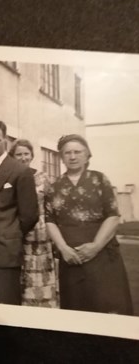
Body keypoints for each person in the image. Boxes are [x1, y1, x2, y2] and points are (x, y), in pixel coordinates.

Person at [45, 134, 133, 315]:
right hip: (71, 257)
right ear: (61, 157)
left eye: (78, 152)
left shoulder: (100, 180)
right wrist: (63, 248)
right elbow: (50, 220)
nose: (73, 156)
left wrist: (95, 246)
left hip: (102, 255)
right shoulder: (54, 187)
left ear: (87, 155)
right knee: (77, 310)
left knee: (108, 306)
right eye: (67, 153)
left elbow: (113, 215)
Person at [0, 120, 39, 305]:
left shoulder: (20, 171)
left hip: (6, 252)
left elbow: (30, 215)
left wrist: (10, 233)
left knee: (6, 306)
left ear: (6, 141)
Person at [9, 139, 58, 308]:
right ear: (13, 157)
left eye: (26, 154)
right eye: (19, 154)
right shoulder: (11, 176)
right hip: (20, 230)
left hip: (41, 231)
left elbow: (51, 206)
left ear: (32, 155)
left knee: (43, 269)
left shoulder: (42, 177)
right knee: (24, 269)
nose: (23, 158)